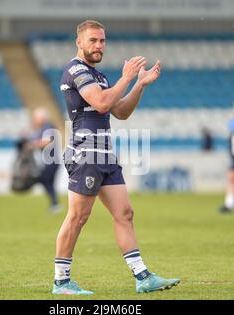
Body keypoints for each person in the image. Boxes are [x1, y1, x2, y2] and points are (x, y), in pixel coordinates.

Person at [52, 20, 180, 295]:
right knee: (77, 217)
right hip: (86, 153)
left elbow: (119, 111)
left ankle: (142, 276)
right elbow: (100, 103)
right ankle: (61, 282)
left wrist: (139, 84)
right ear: (79, 42)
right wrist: (126, 77)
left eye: (102, 41)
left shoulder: (99, 77)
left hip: (105, 154)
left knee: (125, 213)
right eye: (93, 41)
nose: (99, 46)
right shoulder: (76, 70)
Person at [26, 107, 62, 214]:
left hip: (51, 161)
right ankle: (55, 203)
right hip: (49, 160)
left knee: (44, 180)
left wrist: (33, 144)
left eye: (36, 118)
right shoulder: (43, 128)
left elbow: (47, 141)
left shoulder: (48, 126)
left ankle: (55, 204)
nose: (35, 120)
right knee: (48, 182)